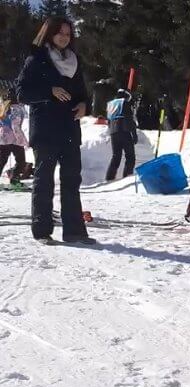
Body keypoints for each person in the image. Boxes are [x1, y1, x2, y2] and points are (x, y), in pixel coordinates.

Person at [16, 16, 95, 245]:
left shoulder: (75, 60)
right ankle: (42, 231)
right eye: (60, 32)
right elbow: (21, 92)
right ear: (50, 33)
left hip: (70, 128)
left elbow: (82, 93)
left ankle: (75, 232)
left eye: (68, 33)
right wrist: (49, 90)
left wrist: (84, 105)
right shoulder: (37, 58)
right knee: (44, 181)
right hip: (45, 129)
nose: (64, 37)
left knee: (72, 180)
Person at [105, 88, 138, 181]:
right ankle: (126, 178)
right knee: (130, 156)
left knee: (116, 156)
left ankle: (109, 178)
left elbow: (108, 120)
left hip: (113, 131)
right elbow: (129, 118)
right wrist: (134, 134)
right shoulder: (124, 102)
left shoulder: (110, 104)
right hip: (124, 130)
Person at [0, 87, 28, 185]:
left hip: (3, 139)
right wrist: (21, 140)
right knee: (21, 162)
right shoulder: (17, 108)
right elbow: (15, 125)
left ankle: (14, 179)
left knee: (1, 161)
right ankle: (14, 179)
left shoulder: (3, 106)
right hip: (15, 140)